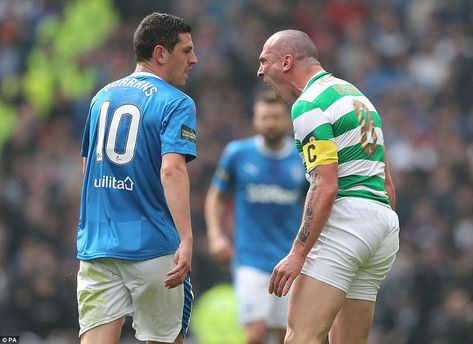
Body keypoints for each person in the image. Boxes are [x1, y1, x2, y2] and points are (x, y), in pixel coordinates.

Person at [257, 30, 400, 344]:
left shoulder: (308, 104)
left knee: (300, 338)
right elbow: (387, 182)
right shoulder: (358, 97)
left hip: (348, 221)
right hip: (382, 225)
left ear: (286, 61)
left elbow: (325, 184)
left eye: (264, 61)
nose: (259, 71)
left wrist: (298, 253)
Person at [77, 12, 198, 344]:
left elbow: (88, 170)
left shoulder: (101, 97)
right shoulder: (177, 103)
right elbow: (172, 169)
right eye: (186, 51)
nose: (194, 59)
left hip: (99, 247)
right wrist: (186, 239)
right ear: (160, 53)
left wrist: (89, 233)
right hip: (153, 247)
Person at [205, 92, 308, 344]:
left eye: (275, 117)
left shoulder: (302, 158)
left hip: (290, 261)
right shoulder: (237, 154)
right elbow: (216, 196)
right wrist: (216, 236)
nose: (270, 123)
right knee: (255, 334)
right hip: (250, 259)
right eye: (264, 117)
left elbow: (315, 202)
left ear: (287, 120)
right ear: (256, 121)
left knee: (287, 335)